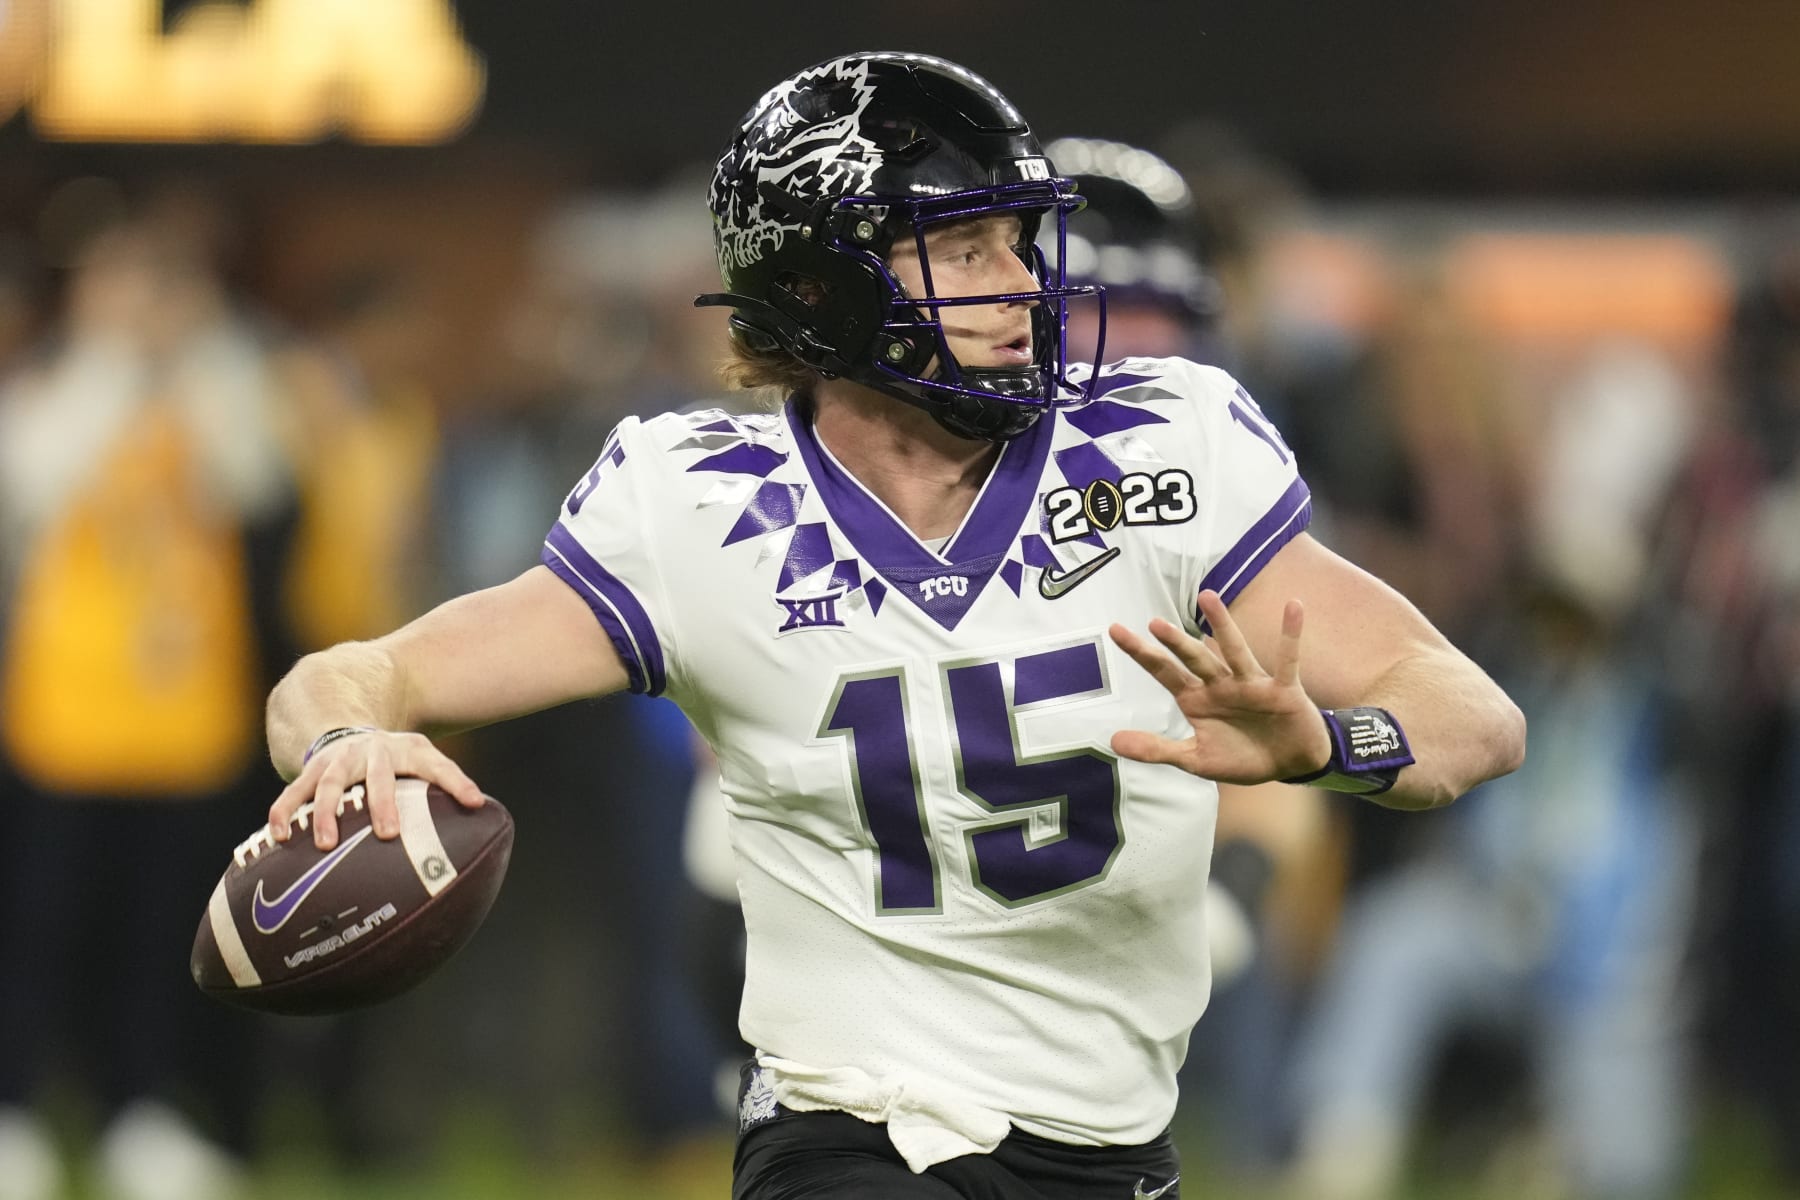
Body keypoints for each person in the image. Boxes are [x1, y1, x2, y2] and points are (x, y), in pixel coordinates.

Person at [263, 52, 1525, 1200]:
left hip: (1107, 1140)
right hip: (849, 1125)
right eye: (963, 250)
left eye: (1020, 246)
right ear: (824, 284)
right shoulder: (700, 506)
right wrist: (342, 747)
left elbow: (1474, 716)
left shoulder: (1159, 452)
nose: (1023, 287)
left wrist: (1330, 745)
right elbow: (356, 675)